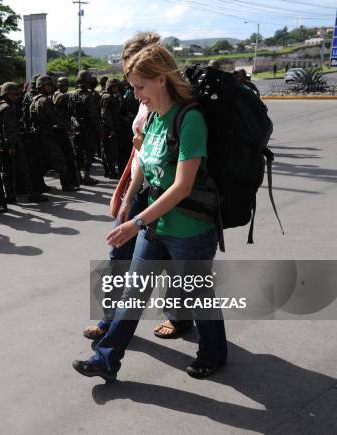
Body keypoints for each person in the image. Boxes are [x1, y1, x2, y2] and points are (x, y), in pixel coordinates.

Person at [73, 43, 227, 381]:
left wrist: (137, 222)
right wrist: (129, 198)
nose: (136, 94)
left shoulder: (190, 119)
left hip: (189, 229)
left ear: (161, 79)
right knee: (133, 291)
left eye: (140, 86)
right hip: (155, 225)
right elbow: (143, 161)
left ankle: (214, 353)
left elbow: (182, 185)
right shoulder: (155, 117)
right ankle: (105, 360)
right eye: (132, 87)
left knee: (197, 294)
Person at [83, 31, 161, 342]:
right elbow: (142, 152)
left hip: (163, 193)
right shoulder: (144, 98)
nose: (131, 81)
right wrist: (129, 194)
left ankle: (181, 319)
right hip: (139, 187)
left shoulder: (171, 101)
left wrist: (132, 196)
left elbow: (154, 154)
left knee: (173, 264)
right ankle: (110, 323)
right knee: (119, 257)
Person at [0, 82, 47, 203]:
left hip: (7, 143)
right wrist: (12, 145)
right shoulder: (7, 108)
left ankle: (10, 195)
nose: (16, 96)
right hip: (12, 143)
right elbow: (8, 129)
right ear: (7, 94)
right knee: (23, 169)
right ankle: (31, 194)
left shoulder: (3, 106)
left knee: (8, 171)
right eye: (14, 94)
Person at [30, 75, 78, 192]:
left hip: (39, 135)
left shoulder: (35, 99)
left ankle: (39, 185)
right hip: (47, 135)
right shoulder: (44, 101)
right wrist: (68, 127)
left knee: (44, 162)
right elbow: (54, 117)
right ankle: (66, 185)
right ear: (41, 86)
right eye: (48, 85)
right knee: (60, 159)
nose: (50, 87)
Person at [70, 70, 101, 185]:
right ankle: (86, 176)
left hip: (77, 127)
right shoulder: (91, 95)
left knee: (78, 152)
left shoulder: (73, 94)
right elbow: (94, 116)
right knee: (89, 152)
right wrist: (99, 131)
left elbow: (70, 112)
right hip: (89, 128)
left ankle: (78, 176)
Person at [53, 76, 81, 188]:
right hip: (61, 130)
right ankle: (67, 183)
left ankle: (70, 182)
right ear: (60, 86)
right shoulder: (63, 97)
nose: (66, 87)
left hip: (59, 129)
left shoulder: (55, 95)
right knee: (68, 156)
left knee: (66, 157)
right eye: (65, 85)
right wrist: (70, 127)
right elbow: (64, 115)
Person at [100, 78, 122, 179]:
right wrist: (111, 129)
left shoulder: (111, 96)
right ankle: (111, 172)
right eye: (114, 87)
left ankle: (109, 171)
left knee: (108, 150)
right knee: (109, 151)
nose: (116, 88)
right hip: (108, 129)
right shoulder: (107, 98)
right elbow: (105, 115)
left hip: (109, 127)